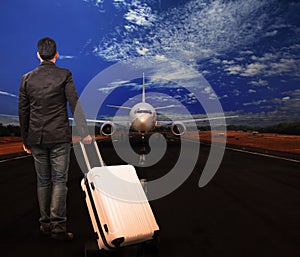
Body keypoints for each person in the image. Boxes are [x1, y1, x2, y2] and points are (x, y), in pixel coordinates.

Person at [18, 37, 92, 240]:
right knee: (59, 180)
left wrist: (25, 139)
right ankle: (58, 227)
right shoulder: (65, 75)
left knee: (43, 181)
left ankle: (45, 224)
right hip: (59, 136)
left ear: (38, 55)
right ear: (56, 55)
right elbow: (74, 102)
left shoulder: (26, 78)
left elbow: (23, 112)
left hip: (36, 138)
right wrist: (84, 131)